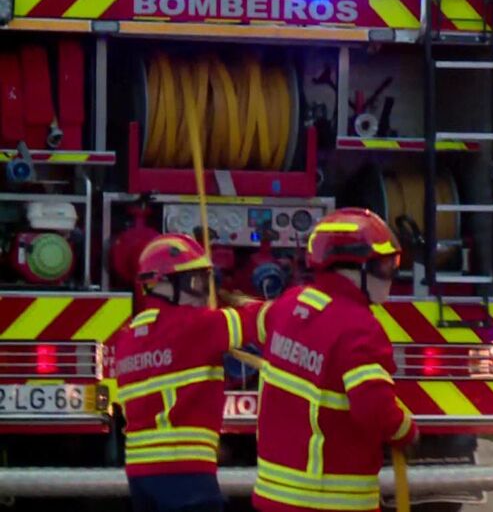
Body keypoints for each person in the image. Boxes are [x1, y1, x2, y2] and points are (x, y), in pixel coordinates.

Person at [250, 208, 418, 512]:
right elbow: (373, 409)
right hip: (330, 499)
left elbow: (255, 321)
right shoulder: (359, 328)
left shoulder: (289, 304)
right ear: (356, 268)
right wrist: (405, 430)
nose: (392, 274)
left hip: (273, 496)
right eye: (385, 265)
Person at [115, 233, 253, 512]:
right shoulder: (194, 326)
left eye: (205, 282)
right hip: (184, 473)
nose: (202, 292)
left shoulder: (128, 338)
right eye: (194, 282)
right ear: (160, 284)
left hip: (141, 475)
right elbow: (264, 321)